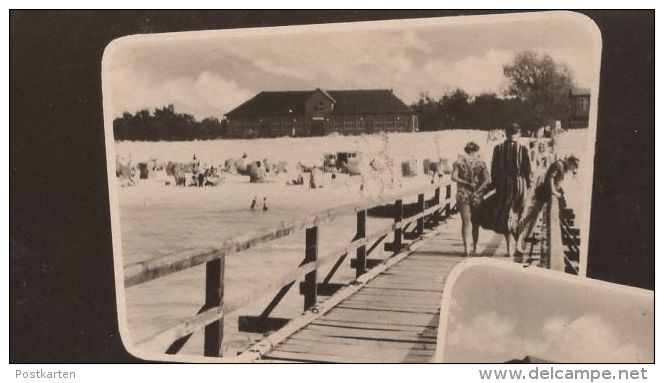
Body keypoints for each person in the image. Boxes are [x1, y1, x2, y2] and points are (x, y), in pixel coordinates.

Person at [481, 123, 532, 257]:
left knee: (507, 214)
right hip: (520, 185)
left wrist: (494, 185)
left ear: (506, 133)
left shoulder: (498, 148)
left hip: (504, 186)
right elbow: (528, 170)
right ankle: (519, 245)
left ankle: (510, 246)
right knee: (520, 213)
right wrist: (529, 185)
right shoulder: (523, 148)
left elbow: (494, 170)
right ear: (518, 133)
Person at [516, 155, 580, 255]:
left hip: (546, 193)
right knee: (534, 214)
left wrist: (558, 190)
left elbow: (557, 181)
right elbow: (550, 177)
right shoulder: (559, 165)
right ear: (570, 163)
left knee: (535, 215)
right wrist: (553, 191)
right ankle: (518, 229)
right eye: (574, 166)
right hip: (544, 192)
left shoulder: (564, 167)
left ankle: (526, 234)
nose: (574, 169)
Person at [451, 142, 491, 257]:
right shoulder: (481, 163)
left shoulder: (460, 162)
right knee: (475, 222)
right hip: (476, 195)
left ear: (466, 150)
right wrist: (478, 190)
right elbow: (487, 179)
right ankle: (475, 247)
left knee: (465, 222)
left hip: (463, 194)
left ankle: (466, 249)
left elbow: (454, 177)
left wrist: (465, 182)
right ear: (476, 151)